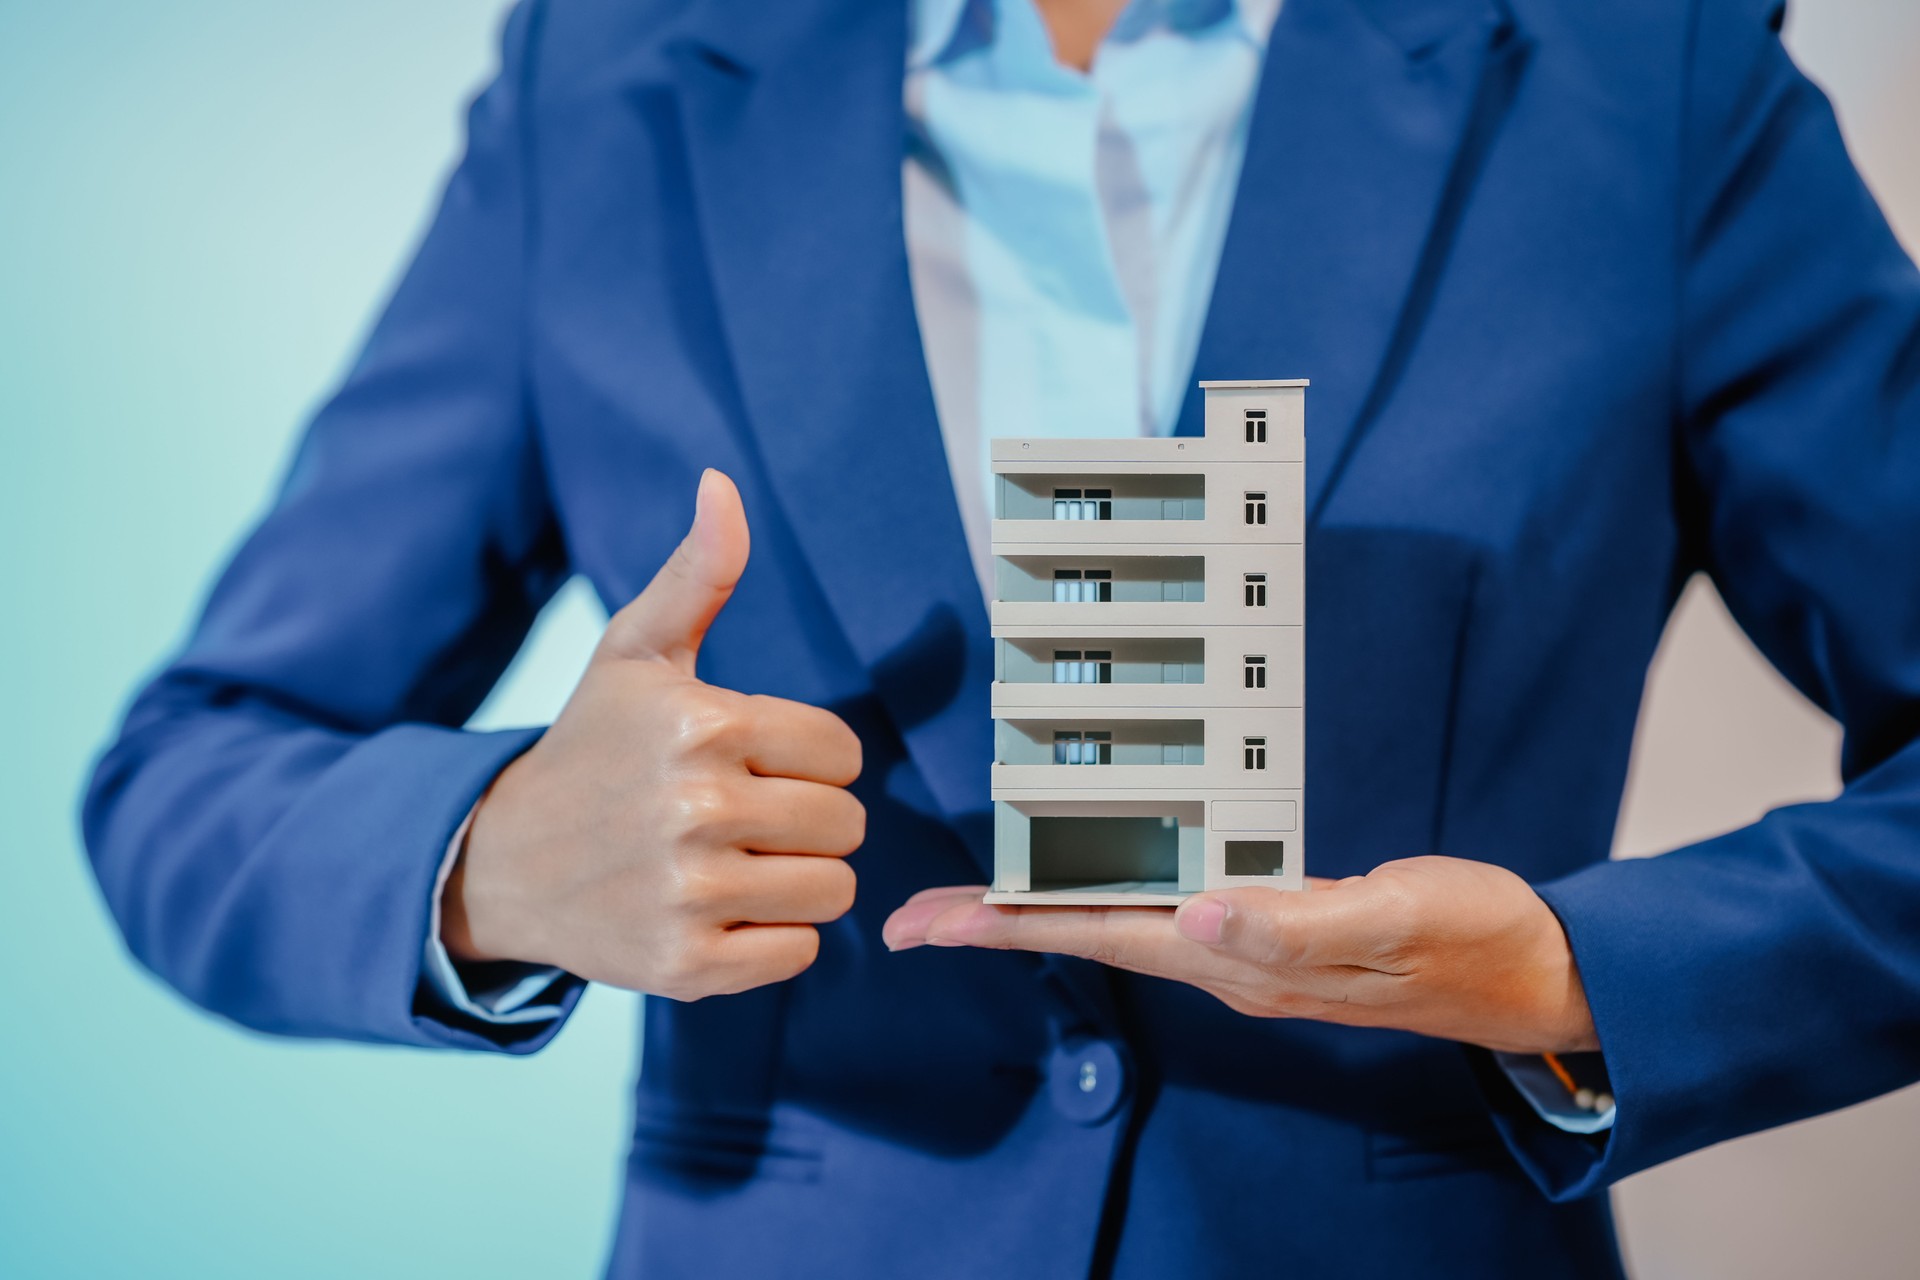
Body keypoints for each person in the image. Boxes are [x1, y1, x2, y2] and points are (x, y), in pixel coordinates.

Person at [82, 0, 1920, 1275]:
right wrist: (492, 866)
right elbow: (189, 772)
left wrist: (1574, 974)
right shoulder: (608, 85)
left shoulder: (1642, 77)